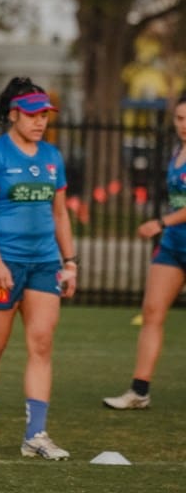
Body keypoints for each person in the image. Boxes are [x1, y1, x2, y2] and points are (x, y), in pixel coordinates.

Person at [0, 77, 77, 460]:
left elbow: (60, 214)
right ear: (14, 115)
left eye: (44, 115)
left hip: (44, 262)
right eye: (32, 115)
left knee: (42, 344)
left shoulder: (52, 158)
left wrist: (70, 262)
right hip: (3, 263)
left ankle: (36, 435)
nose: (39, 121)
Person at [103, 95, 186, 410]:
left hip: (170, 230)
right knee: (152, 313)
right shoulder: (177, 152)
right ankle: (139, 391)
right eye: (179, 118)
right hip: (173, 246)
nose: (183, 125)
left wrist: (160, 222)